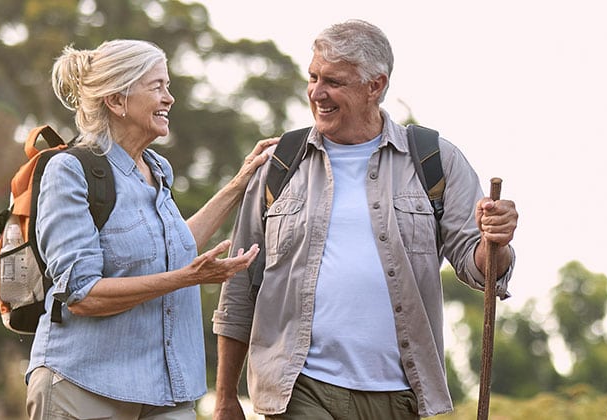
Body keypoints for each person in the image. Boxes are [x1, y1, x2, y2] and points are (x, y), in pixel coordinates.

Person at [211, 19, 519, 419]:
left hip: (402, 392)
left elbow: (478, 264)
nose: (316, 93)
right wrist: (224, 398)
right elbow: (239, 284)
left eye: (334, 82)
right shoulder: (280, 165)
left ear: (375, 85)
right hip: (300, 387)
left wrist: (497, 241)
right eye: (313, 77)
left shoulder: (434, 159)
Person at [30, 39, 275, 419]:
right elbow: (82, 294)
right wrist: (186, 278)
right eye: (157, 86)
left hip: (165, 392)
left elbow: (174, 249)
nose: (169, 98)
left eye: (169, 86)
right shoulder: (70, 171)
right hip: (82, 386)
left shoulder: (157, 169)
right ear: (117, 101)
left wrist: (239, 184)